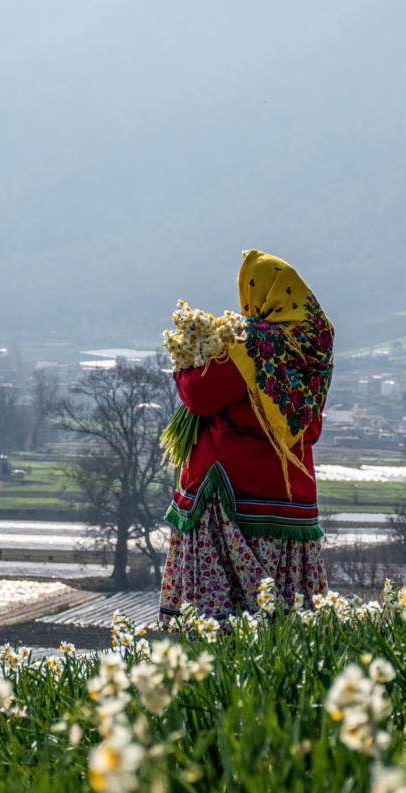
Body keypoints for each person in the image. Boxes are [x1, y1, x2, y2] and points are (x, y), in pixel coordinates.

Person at [160, 249, 334, 621]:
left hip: (235, 502)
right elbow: (310, 425)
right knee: (284, 623)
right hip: (290, 500)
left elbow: (200, 396)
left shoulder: (253, 345)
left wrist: (185, 364)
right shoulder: (313, 349)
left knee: (223, 625)